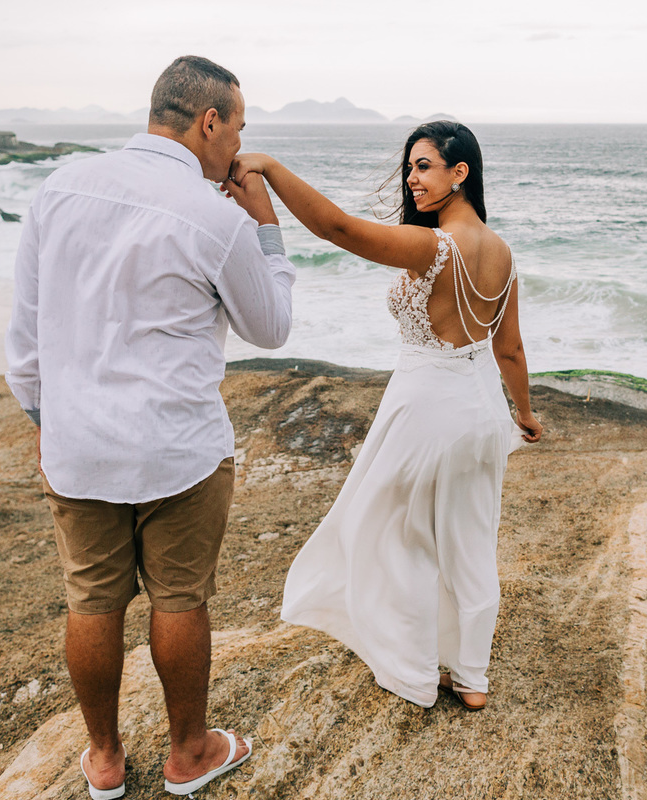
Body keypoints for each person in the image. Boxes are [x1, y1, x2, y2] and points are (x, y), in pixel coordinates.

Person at [4, 56, 293, 798]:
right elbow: (271, 326)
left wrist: (48, 423)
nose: (237, 146)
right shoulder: (216, 217)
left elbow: (26, 340)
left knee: (91, 598)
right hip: (177, 450)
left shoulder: (58, 188)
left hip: (78, 445)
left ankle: (103, 760)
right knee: (180, 599)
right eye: (237, 128)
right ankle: (189, 753)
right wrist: (265, 226)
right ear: (209, 122)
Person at [228, 121, 542, 711]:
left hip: (425, 408)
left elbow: (338, 228)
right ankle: (471, 676)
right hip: (480, 412)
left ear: (460, 172)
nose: (411, 178)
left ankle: (417, 671)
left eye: (424, 166)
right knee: (470, 540)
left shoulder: (433, 247)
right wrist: (522, 414)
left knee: (396, 537)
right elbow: (511, 349)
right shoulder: (502, 253)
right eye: (410, 166)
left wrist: (269, 167)